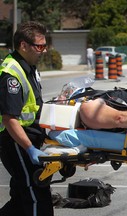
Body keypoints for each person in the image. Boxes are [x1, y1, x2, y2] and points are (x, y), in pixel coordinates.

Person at [0, 21, 54, 216]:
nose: (44, 50)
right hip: (17, 142)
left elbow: (34, 106)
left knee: (20, 199)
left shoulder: (29, 67)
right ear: (23, 45)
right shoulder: (12, 75)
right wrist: (29, 149)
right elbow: (9, 119)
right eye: (39, 46)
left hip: (30, 139)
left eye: (45, 45)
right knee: (36, 196)